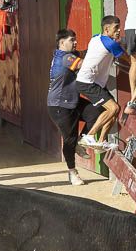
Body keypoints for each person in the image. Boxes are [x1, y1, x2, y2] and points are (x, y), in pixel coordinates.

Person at [47, 28, 91, 185]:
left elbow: (84, 53)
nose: (75, 42)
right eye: (72, 40)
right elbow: (85, 64)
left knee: (95, 113)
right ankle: (73, 173)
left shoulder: (66, 55)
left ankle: (81, 141)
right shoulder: (65, 58)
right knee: (69, 139)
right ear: (62, 43)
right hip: (60, 105)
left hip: (71, 100)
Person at [75, 16, 126, 150]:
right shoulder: (111, 44)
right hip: (87, 83)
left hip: (94, 83)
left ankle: (102, 140)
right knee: (113, 108)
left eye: (119, 27)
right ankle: (88, 136)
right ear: (106, 29)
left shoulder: (95, 37)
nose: (119, 31)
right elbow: (130, 60)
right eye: (116, 28)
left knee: (114, 110)